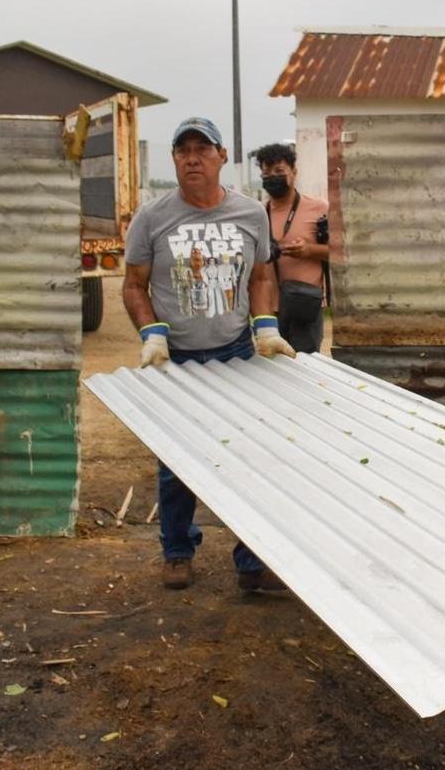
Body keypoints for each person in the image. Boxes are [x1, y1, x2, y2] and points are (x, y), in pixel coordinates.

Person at [123, 117, 296, 593]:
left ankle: (251, 561)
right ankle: (177, 550)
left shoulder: (249, 214)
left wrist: (265, 327)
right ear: (174, 159)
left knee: (244, 456)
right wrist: (151, 333)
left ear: (222, 157)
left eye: (203, 148)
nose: (193, 157)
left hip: (235, 353)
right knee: (177, 463)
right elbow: (134, 285)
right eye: (184, 150)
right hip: (173, 356)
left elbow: (261, 275)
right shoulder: (152, 217)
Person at [255, 142, 330, 353]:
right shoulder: (257, 213)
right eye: (266, 172)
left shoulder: (319, 208)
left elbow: (342, 253)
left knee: (307, 369)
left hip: (305, 307)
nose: (272, 176)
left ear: (294, 171)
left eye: (279, 171)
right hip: (268, 312)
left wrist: (309, 250)